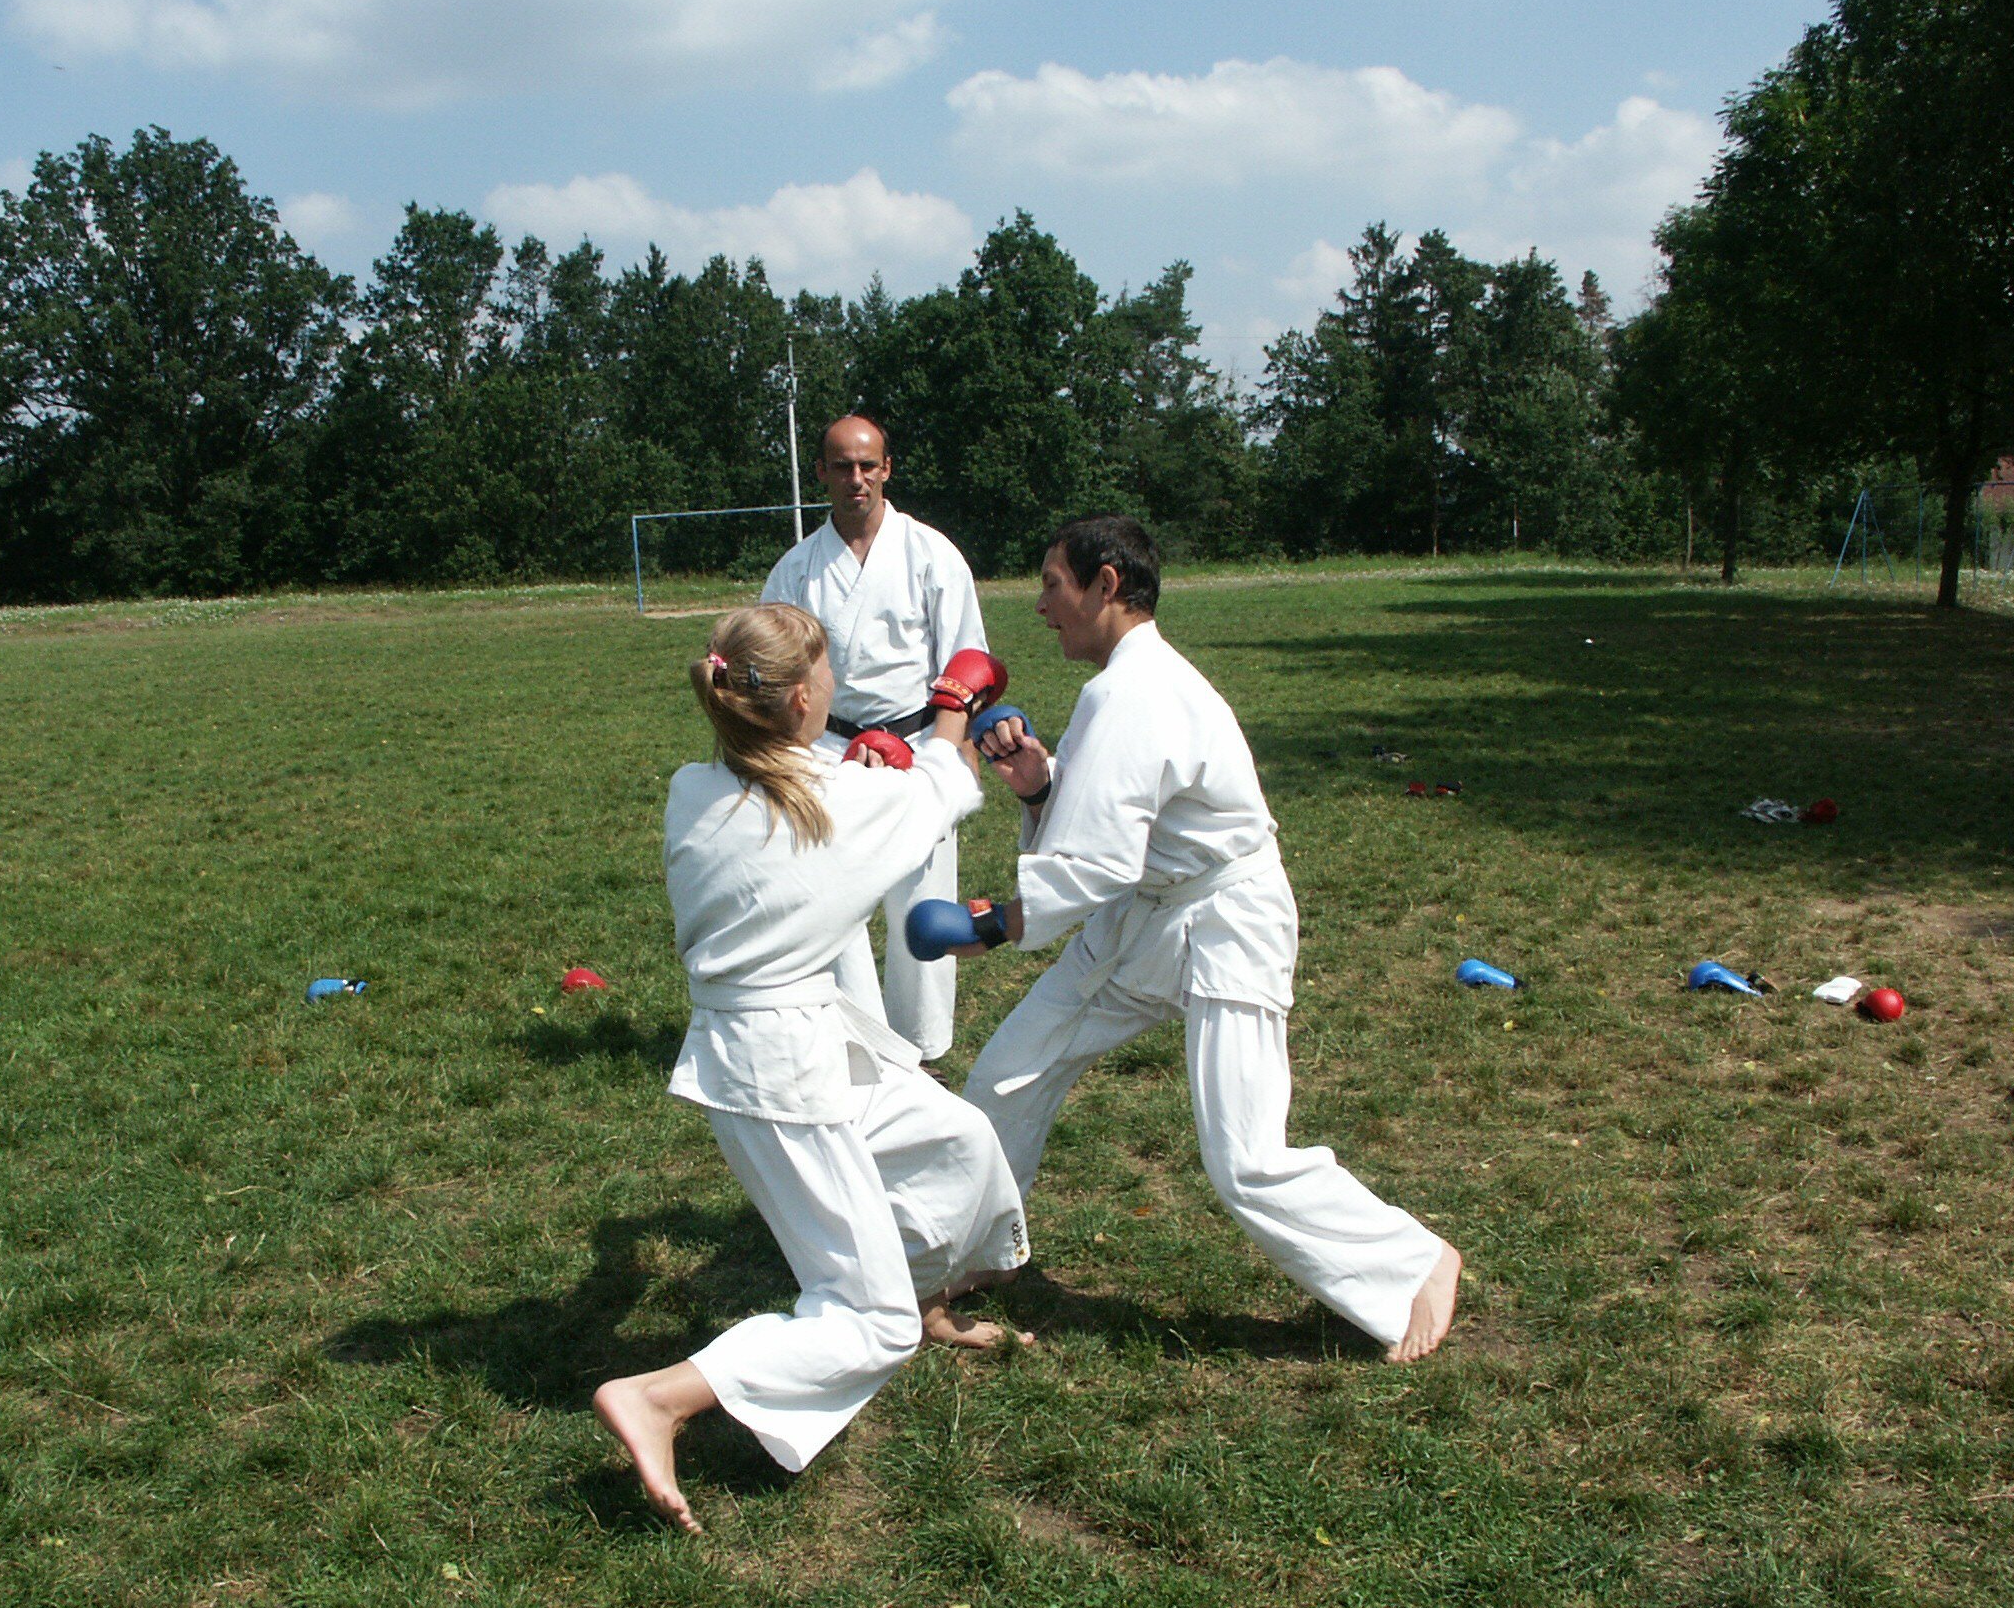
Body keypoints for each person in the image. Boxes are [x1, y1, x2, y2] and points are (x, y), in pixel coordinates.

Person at [930, 515, 1460, 1363]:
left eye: (1053, 585)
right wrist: (1041, 786)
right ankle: (980, 1249)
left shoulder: (1132, 691)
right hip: (1148, 919)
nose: (1040, 606)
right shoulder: (1126, 685)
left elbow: (1096, 862)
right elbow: (1128, 817)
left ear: (1107, 586)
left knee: (1244, 1158)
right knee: (1009, 1073)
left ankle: (1414, 1264)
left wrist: (993, 926)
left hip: (1224, 922)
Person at [592, 604, 1030, 1534]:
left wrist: (856, 768)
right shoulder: (831, 806)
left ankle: (928, 1297)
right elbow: (944, 786)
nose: (835, 684)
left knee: (957, 1140)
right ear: (801, 698)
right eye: (826, 671)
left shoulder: (696, 788)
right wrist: (950, 707)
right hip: (775, 1073)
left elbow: (799, 807)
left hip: (797, 1037)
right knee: (866, 1322)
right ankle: (661, 1397)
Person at [761, 416, 988, 1058]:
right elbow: (773, 668)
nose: (855, 479)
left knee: (923, 898)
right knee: (837, 902)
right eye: (842, 466)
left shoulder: (931, 554)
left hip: (919, 742)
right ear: (822, 473)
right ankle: (860, 1046)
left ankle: (925, 1048)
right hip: (827, 750)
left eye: (867, 465)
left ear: (887, 468)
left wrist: (956, 754)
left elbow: (967, 660)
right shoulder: (797, 569)